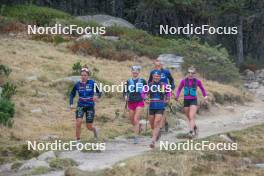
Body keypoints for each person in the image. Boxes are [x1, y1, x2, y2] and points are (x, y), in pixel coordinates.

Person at [69, 67, 102, 142]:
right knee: (78, 122)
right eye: (82, 75)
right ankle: (78, 140)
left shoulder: (92, 83)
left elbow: (99, 91)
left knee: (89, 126)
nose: (83, 77)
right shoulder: (77, 84)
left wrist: (97, 96)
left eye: (85, 75)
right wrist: (71, 104)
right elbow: (72, 94)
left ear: (88, 76)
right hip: (80, 106)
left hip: (90, 106)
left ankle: (95, 130)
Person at [175, 66, 208, 138]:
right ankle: (195, 127)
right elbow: (179, 89)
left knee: (191, 116)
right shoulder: (183, 81)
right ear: (187, 73)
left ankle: (191, 131)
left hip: (193, 100)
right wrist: (177, 96)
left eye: (192, 73)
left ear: (194, 74)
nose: (190, 74)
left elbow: (202, 89)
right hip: (186, 100)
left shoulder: (197, 81)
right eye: (189, 72)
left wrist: (205, 97)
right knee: (188, 117)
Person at [145, 70, 171, 148]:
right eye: (155, 76)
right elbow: (143, 93)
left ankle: (153, 141)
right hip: (152, 106)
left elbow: (168, 92)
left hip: (160, 106)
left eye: (158, 76)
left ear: (160, 77)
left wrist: (167, 99)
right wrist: (145, 98)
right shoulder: (149, 85)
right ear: (153, 77)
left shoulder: (163, 85)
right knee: (152, 124)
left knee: (156, 122)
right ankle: (157, 133)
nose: (156, 77)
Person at [148, 59, 175, 132]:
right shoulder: (152, 72)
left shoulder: (166, 72)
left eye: (159, 65)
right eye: (156, 65)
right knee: (160, 111)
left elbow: (171, 80)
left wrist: (171, 88)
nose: (157, 66)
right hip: (155, 93)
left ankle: (159, 128)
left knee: (163, 109)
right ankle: (163, 124)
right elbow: (149, 82)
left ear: (161, 64)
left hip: (164, 91)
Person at [124, 66, 147, 144]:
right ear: (132, 72)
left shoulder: (143, 81)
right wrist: (125, 96)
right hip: (131, 102)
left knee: (136, 119)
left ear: (139, 72)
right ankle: (139, 126)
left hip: (139, 101)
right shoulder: (128, 81)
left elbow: (146, 90)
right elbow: (125, 91)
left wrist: (145, 96)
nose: (135, 73)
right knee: (132, 120)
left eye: (137, 71)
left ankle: (136, 137)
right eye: (134, 71)